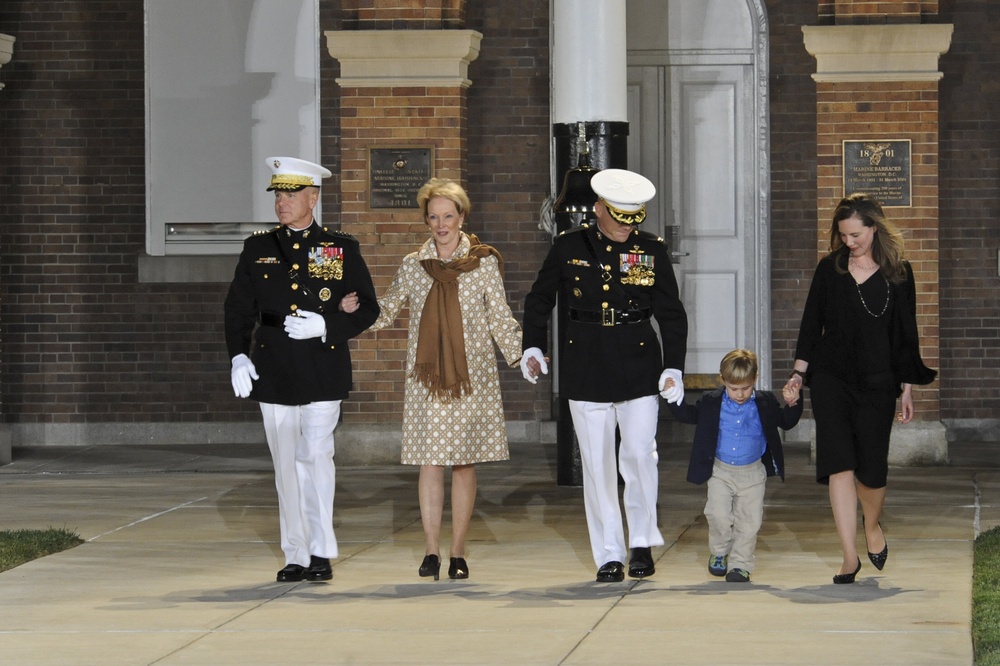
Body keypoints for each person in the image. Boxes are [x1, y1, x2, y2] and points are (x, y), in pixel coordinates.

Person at [349, 177, 522, 581]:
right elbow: (387, 310)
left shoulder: (483, 263)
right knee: (429, 462)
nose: (441, 225)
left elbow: (499, 317)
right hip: (427, 380)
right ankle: (430, 550)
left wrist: (522, 355)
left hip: (470, 377)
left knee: (462, 462)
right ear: (426, 221)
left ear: (461, 217)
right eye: (434, 218)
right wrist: (349, 309)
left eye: (448, 216)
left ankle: (458, 552)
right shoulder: (414, 265)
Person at [521, 168, 688, 582]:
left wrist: (674, 366)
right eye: (618, 219)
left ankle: (642, 544)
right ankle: (609, 554)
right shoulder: (568, 247)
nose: (625, 230)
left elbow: (671, 311)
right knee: (597, 466)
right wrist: (533, 346)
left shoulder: (651, 249)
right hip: (586, 362)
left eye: (634, 220)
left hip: (638, 360)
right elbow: (539, 299)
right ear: (598, 209)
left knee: (638, 456)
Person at [224, 156, 380, 583]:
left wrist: (328, 324)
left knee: (316, 457)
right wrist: (238, 355)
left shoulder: (337, 247)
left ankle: (320, 551)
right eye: (278, 194)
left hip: (321, 364)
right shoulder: (259, 248)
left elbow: (367, 308)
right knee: (285, 465)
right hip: (272, 366)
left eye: (291, 195)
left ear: (313, 197)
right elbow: (238, 308)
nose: (282, 203)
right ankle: (294, 552)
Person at [782, 193, 936, 584]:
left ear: (874, 228)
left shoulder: (899, 273)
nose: (849, 242)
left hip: (879, 381)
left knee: (872, 469)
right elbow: (810, 326)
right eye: (843, 235)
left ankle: (872, 527)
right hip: (831, 378)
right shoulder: (828, 269)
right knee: (839, 463)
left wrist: (906, 388)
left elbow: (905, 336)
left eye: (856, 235)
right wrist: (799, 375)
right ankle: (849, 557)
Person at [665, 349, 802, 583]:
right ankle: (719, 552)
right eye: (734, 388)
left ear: (755, 380)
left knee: (750, 522)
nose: (740, 394)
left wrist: (793, 403)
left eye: (746, 388)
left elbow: (786, 422)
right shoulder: (711, 402)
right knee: (718, 515)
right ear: (723, 381)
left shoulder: (765, 402)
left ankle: (741, 564)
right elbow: (688, 415)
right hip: (720, 471)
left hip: (752, 474)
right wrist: (672, 395)